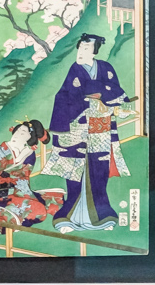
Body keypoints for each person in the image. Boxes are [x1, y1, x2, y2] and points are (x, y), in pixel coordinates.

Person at [49, 34, 132, 230]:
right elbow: (66, 96)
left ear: (94, 51)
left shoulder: (106, 68)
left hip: (101, 129)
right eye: (80, 48)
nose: (81, 52)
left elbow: (117, 91)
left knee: (99, 172)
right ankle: (68, 218)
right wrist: (96, 96)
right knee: (75, 172)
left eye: (86, 49)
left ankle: (103, 216)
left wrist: (110, 102)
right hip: (78, 130)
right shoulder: (75, 69)